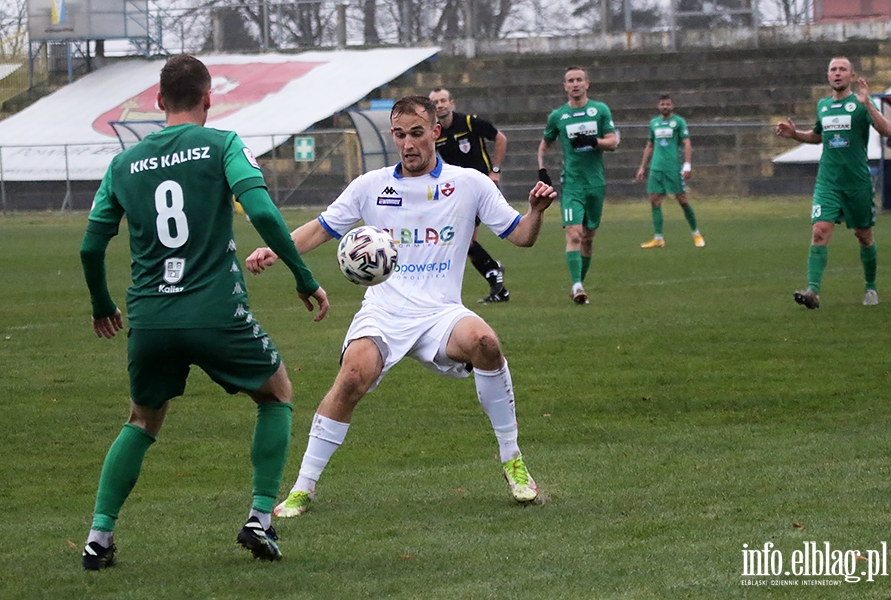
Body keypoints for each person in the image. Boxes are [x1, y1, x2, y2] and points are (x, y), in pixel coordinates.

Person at [246, 95, 556, 517]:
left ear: (436, 133)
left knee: (485, 342)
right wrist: (274, 249)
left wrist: (535, 211)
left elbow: (522, 236)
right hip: (384, 311)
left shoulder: (470, 184)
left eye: (416, 133)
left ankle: (513, 461)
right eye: (400, 134)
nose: (408, 143)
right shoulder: (370, 186)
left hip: (441, 312)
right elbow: (320, 230)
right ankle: (303, 488)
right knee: (352, 378)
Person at [79, 54, 329, 569]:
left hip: (149, 319)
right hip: (215, 312)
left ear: (158, 102)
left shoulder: (123, 163)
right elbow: (259, 210)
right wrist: (304, 277)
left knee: (142, 420)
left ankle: (99, 537)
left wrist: (102, 302)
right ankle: (261, 516)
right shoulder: (223, 145)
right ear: (209, 99)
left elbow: (90, 246)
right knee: (276, 391)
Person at [776, 56, 891, 308]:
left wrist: (869, 105)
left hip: (857, 182)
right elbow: (818, 136)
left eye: (843, 69)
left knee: (863, 235)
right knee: (819, 231)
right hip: (828, 182)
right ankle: (812, 292)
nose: (837, 73)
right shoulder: (824, 106)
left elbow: (887, 131)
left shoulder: (860, 103)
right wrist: (795, 134)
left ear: (851, 76)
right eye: (833, 69)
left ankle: (870, 288)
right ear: (828, 76)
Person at [537, 66, 618, 305]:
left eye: (579, 80)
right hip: (571, 184)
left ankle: (578, 284)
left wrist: (594, 141)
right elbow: (544, 145)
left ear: (587, 84)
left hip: (596, 183)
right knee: (574, 234)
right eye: (570, 80)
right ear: (565, 86)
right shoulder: (558, 116)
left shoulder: (599, 110)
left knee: (588, 238)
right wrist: (542, 171)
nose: (575, 84)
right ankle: (577, 285)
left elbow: (613, 143)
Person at [429, 87, 511, 303]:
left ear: (451, 103)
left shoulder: (469, 122)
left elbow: (501, 138)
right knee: (463, 240)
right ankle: (496, 280)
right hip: (460, 191)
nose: (439, 105)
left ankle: (493, 271)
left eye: (443, 100)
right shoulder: (435, 133)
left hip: (482, 187)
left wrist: (495, 170)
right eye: (435, 102)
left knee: (463, 238)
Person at [635, 94, 705, 249]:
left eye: (667, 104)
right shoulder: (654, 123)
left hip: (673, 166)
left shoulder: (678, 122)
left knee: (682, 200)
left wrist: (687, 164)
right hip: (656, 167)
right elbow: (650, 145)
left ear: (672, 106)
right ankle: (658, 238)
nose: (664, 106)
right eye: (662, 104)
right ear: (658, 106)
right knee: (654, 200)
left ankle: (696, 233)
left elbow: (687, 143)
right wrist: (642, 167)